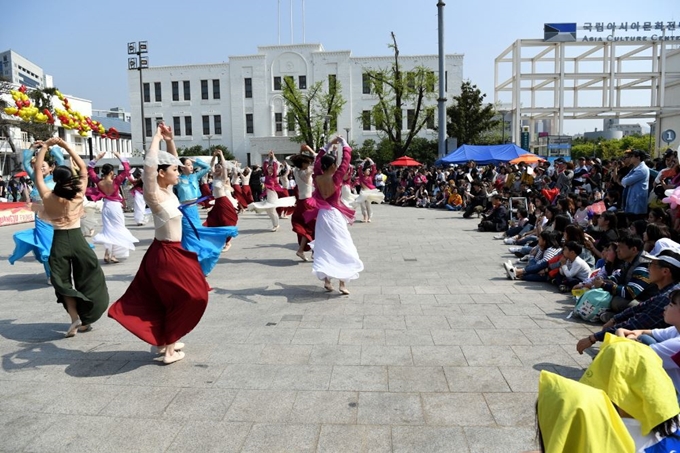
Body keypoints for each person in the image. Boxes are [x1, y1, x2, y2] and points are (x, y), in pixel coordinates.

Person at [109, 124, 210, 365]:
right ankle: (169, 351)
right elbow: (150, 166)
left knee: (170, 297)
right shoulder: (154, 194)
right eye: (175, 169)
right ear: (162, 173)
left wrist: (169, 140)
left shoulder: (170, 190)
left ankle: (165, 340)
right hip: (166, 253)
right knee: (193, 295)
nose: (180, 172)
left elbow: (169, 161)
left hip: (172, 252)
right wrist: (155, 137)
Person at [33, 137, 109, 337]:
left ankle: (75, 317)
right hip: (77, 239)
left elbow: (37, 174)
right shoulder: (77, 194)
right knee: (90, 276)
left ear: (55, 180)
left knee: (62, 281)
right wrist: (65, 146)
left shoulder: (48, 196)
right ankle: (86, 317)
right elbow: (83, 169)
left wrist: (45, 147)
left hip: (59, 242)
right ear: (70, 179)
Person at [577, 249, 680, 354]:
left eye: (652, 265)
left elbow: (637, 323)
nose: (648, 268)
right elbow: (642, 307)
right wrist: (615, 319)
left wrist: (593, 338)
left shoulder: (668, 297)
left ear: (665, 271)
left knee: (635, 337)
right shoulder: (669, 290)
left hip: (668, 350)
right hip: (664, 337)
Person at [307, 137, 364, 294]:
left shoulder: (317, 177)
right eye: (335, 164)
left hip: (322, 217)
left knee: (325, 247)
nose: (338, 166)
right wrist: (343, 143)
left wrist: (328, 145)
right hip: (334, 216)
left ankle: (327, 281)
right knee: (343, 247)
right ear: (332, 165)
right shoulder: (336, 177)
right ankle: (342, 284)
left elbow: (317, 160)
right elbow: (346, 158)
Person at [8, 144, 65, 282]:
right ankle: (50, 274)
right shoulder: (35, 178)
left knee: (58, 247)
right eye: (39, 166)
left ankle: (61, 272)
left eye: (44, 165)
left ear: (52, 168)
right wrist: (32, 147)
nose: (41, 167)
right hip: (41, 218)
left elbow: (61, 161)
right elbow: (26, 162)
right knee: (45, 247)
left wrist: (51, 147)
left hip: (56, 217)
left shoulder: (56, 179)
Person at [176, 150, 237, 276]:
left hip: (194, 209)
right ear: (181, 167)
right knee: (189, 235)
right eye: (188, 165)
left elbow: (207, 167)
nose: (191, 166)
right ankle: (188, 264)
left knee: (198, 233)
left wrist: (195, 161)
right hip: (184, 211)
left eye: (191, 164)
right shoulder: (177, 180)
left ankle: (195, 263)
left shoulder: (194, 177)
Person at [87, 151, 139, 263]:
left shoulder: (99, 182)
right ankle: (113, 254)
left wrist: (97, 158)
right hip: (115, 207)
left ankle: (107, 254)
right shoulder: (116, 182)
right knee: (118, 230)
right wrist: (119, 156)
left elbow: (89, 169)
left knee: (108, 230)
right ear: (111, 172)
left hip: (106, 207)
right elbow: (126, 169)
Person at [247, 151, 296, 231]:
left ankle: (276, 225)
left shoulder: (274, 175)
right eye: (269, 168)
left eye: (271, 168)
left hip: (273, 194)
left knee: (272, 210)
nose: (269, 169)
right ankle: (275, 224)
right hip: (268, 194)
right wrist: (267, 157)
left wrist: (273, 157)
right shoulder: (266, 175)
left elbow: (275, 165)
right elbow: (264, 165)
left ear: (274, 170)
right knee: (269, 211)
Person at [287, 144, 317, 262]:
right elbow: (317, 158)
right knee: (314, 226)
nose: (308, 164)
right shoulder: (306, 172)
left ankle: (302, 250)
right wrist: (309, 149)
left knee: (307, 227)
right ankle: (313, 251)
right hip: (307, 203)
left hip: (301, 202)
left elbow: (297, 161)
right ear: (303, 164)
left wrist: (301, 150)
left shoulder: (295, 171)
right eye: (306, 162)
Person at [204, 149, 238, 252]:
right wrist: (214, 156)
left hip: (223, 201)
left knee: (226, 221)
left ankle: (228, 242)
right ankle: (217, 240)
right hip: (217, 202)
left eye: (219, 167)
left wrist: (221, 155)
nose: (218, 169)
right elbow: (211, 165)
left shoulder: (223, 178)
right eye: (217, 167)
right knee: (213, 220)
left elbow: (224, 166)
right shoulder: (214, 176)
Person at [621, 149, 650, 221]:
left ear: (638, 157)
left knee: (636, 223)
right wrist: (624, 181)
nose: (631, 158)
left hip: (637, 202)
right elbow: (623, 180)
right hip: (632, 200)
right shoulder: (635, 168)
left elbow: (626, 181)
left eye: (632, 156)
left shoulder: (642, 169)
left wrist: (624, 181)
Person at [352, 157, 384, 223]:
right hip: (363, 191)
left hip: (369, 191)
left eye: (369, 170)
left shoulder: (371, 176)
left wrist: (370, 160)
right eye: (367, 170)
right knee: (362, 205)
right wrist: (364, 161)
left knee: (368, 205)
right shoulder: (361, 176)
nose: (369, 171)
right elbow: (360, 168)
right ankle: (365, 217)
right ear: (364, 171)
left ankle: (369, 217)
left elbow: (374, 167)